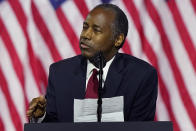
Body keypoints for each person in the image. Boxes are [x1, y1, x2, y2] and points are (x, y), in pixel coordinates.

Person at [27, 3, 158, 122]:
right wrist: (41, 116)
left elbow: (140, 127)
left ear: (118, 39)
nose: (85, 35)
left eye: (96, 30)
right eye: (85, 27)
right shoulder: (60, 73)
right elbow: (53, 124)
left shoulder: (141, 76)